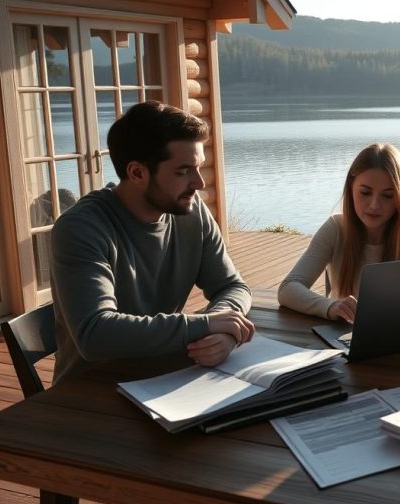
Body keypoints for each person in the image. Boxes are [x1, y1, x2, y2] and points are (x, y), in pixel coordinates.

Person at [51, 101, 254, 382]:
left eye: (199, 168)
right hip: (95, 392)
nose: (199, 183)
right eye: (183, 171)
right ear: (137, 173)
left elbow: (232, 287)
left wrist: (223, 329)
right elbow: (95, 334)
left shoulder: (192, 213)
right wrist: (206, 324)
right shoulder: (82, 228)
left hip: (168, 378)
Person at [278, 143, 400, 322]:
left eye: (387, 195)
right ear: (351, 188)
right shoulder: (335, 229)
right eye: (365, 193)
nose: (374, 205)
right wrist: (329, 306)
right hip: (342, 340)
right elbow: (288, 289)